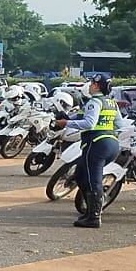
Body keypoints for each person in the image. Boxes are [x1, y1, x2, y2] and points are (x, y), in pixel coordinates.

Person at [53, 77, 119, 229]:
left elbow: (89, 123)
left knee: (93, 180)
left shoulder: (95, 102)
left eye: (91, 84)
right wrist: (68, 118)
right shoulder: (111, 103)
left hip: (97, 144)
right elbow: (119, 124)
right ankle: (89, 211)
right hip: (111, 144)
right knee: (81, 174)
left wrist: (66, 123)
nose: (89, 86)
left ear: (96, 86)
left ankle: (94, 217)